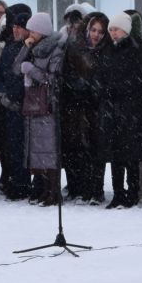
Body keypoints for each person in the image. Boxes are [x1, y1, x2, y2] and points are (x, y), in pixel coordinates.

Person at [95, 12, 142, 209]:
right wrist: (104, 90)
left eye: (116, 29)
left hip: (130, 111)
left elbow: (137, 79)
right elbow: (101, 75)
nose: (113, 33)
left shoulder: (135, 50)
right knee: (115, 155)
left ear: (125, 30)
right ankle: (118, 193)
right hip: (111, 111)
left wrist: (119, 89)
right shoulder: (108, 51)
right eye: (111, 30)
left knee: (130, 155)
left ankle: (132, 193)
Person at [18, 12, 65, 206]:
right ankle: (43, 189)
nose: (30, 33)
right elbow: (16, 67)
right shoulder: (32, 47)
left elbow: (53, 78)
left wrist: (31, 70)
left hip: (47, 105)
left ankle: (53, 191)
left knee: (48, 151)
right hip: (32, 104)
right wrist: (25, 49)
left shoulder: (56, 50)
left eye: (34, 30)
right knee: (37, 152)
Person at [60, 12, 107, 204]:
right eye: (93, 30)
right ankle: (76, 187)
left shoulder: (106, 51)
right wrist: (78, 85)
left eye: (100, 32)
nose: (96, 35)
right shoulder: (74, 48)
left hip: (96, 109)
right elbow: (66, 75)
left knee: (96, 151)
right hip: (75, 107)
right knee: (74, 149)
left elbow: (106, 79)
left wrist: (93, 87)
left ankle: (95, 190)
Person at [0, 4, 33, 200]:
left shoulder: (32, 48)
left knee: (27, 149)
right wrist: (2, 94)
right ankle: (15, 182)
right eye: (14, 26)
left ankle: (25, 184)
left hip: (27, 107)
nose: (16, 30)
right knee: (11, 148)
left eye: (20, 27)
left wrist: (20, 98)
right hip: (8, 106)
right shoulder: (9, 47)